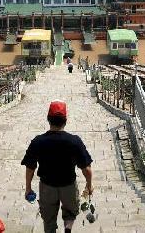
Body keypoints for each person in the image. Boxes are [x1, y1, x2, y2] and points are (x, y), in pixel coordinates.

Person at [21, 100, 93, 233]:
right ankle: (67, 229)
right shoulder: (74, 141)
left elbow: (30, 167)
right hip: (68, 186)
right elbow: (86, 168)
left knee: (48, 220)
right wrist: (89, 185)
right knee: (70, 213)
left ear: (48, 119)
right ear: (65, 120)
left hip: (47, 187)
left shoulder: (38, 141)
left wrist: (28, 188)